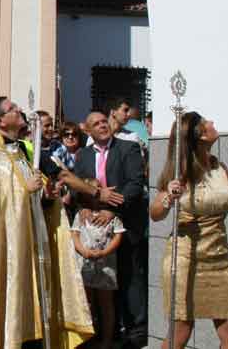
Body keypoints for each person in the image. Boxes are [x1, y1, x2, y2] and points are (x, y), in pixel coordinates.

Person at [0, 96, 96, 349]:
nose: (19, 110)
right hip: (5, 252)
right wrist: (24, 189)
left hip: (28, 246)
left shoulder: (17, 152)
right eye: (12, 109)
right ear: (0, 120)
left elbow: (30, 195)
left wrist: (45, 195)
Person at [151, 112, 228, 349]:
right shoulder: (179, 172)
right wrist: (169, 197)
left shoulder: (219, 167)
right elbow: (155, 214)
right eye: (207, 122)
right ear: (200, 135)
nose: (213, 123)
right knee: (180, 333)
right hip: (186, 259)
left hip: (219, 260)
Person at [74, 111, 147, 347]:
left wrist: (113, 210)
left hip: (123, 222)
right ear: (88, 130)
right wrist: (84, 206)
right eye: (96, 124)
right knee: (100, 285)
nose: (102, 126)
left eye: (104, 121)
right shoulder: (83, 155)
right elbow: (77, 185)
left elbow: (135, 184)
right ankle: (107, 333)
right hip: (94, 229)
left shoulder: (128, 148)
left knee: (129, 277)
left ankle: (135, 331)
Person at [71, 180, 126, 349]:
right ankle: (89, 337)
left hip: (105, 267)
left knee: (106, 303)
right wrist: (83, 251)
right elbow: (74, 235)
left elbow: (118, 236)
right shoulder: (81, 215)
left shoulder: (111, 216)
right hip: (84, 266)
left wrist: (105, 252)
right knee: (87, 303)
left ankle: (106, 339)